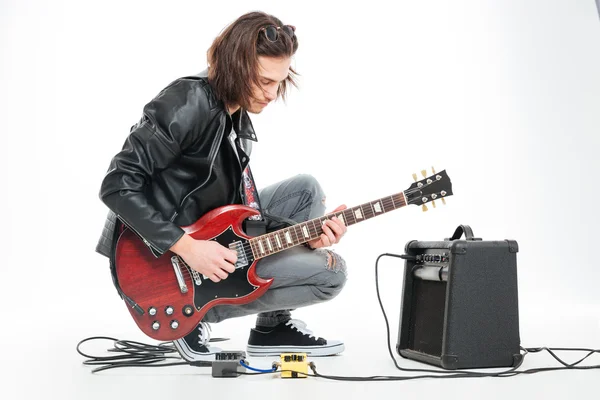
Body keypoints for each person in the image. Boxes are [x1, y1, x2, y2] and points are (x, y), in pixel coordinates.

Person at [95, 11, 348, 361]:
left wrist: (306, 235)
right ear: (234, 66)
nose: (272, 94)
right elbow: (116, 185)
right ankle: (194, 317)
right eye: (263, 81)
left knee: (305, 189)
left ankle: (271, 328)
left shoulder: (235, 114)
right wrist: (188, 248)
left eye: (279, 81)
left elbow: (242, 216)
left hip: (205, 229)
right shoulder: (187, 101)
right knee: (330, 275)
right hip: (157, 260)